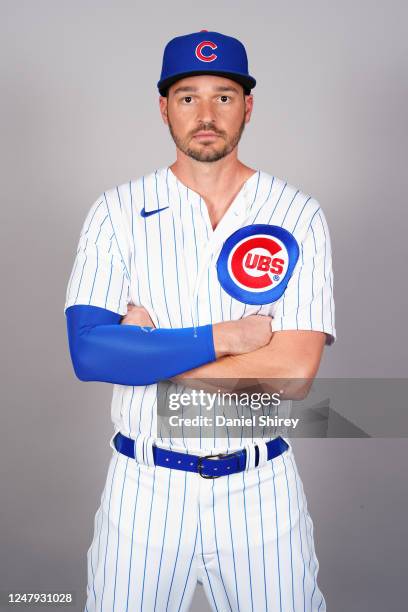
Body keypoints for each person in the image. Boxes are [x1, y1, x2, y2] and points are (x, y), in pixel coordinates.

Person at [64, 30, 336, 612]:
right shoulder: (115, 212)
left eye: (224, 96)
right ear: (164, 107)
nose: (206, 114)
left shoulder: (297, 213)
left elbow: (292, 374)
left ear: (248, 106)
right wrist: (227, 338)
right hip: (143, 488)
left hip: (260, 491)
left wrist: (145, 351)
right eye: (188, 97)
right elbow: (89, 355)